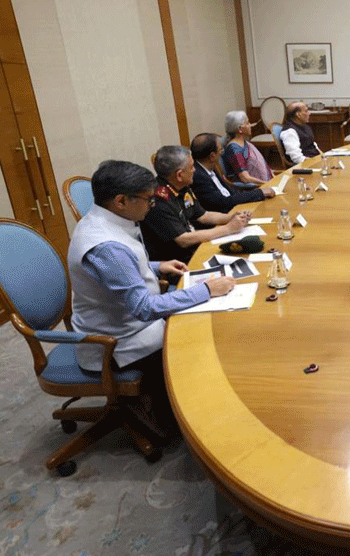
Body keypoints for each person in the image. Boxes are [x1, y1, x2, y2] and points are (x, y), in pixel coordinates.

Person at [67, 161, 235, 432]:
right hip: (116, 340)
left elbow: (122, 271)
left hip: (126, 320)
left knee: (206, 320)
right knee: (205, 340)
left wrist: (157, 266)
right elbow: (144, 308)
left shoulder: (104, 220)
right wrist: (206, 289)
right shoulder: (108, 247)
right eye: (148, 200)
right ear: (121, 201)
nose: (152, 205)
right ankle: (197, 423)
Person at [142, 145, 251, 264]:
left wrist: (233, 217)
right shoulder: (158, 201)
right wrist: (228, 228)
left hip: (196, 248)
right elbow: (183, 240)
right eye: (191, 167)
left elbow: (203, 215)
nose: (195, 170)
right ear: (179, 175)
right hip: (179, 262)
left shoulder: (181, 187)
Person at [191, 132, 275, 213]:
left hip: (234, 209)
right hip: (225, 217)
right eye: (221, 150)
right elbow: (223, 202)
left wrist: (258, 193)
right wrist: (259, 193)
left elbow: (231, 193)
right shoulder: (198, 177)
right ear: (212, 156)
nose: (221, 153)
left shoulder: (209, 167)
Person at [223, 110, 274, 184]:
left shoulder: (244, 143)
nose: (250, 125)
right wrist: (269, 184)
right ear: (240, 129)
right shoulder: (234, 149)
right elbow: (245, 178)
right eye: (247, 123)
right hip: (251, 190)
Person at [280, 101, 320, 166]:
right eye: (306, 111)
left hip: (315, 160)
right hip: (305, 167)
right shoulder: (289, 132)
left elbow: (313, 145)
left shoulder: (305, 127)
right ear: (298, 115)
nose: (309, 113)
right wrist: (315, 163)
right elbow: (297, 158)